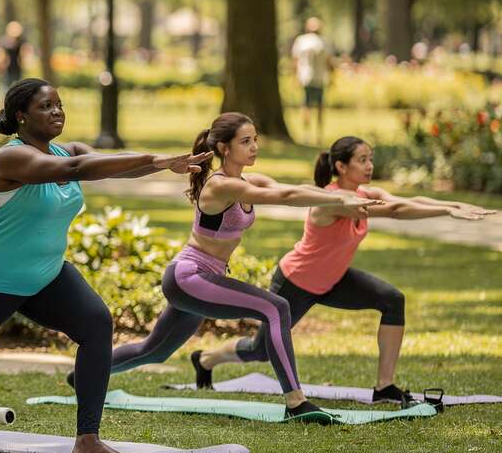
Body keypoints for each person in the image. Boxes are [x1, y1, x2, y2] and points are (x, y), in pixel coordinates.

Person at [0, 78, 211, 453]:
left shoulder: (68, 149)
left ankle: (87, 438)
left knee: (96, 324)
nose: (57, 112)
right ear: (21, 117)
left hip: (44, 274)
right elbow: (76, 169)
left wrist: (162, 164)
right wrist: (155, 161)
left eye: (59, 105)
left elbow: (103, 165)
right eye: (46, 107)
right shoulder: (11, 158)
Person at [102, 112, 380, 423]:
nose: (254, 147)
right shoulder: (220, 186)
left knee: (154, 351)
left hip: (199, 279)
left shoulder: (246, 180)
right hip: (189, 276)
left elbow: (289, 187)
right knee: (276, 308)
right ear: (224, 148)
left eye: (255, 140)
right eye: (245, 141)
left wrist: (341, 197)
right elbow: (285, 197)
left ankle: (83, 373)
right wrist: (341, 202)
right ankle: (296, 401)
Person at [191, 136, 494, 402]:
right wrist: (445, 211)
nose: (369, 165)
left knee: (392, 300)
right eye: (362, 160)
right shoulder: (330, 201)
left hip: (334, 279)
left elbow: (406, 200)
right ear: (341, 167)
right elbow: (396, 211)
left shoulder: (364, 194)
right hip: (297, 281)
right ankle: (205, 359)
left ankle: (385, 386)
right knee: (260, 350)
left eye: (370, 159)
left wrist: (453, 206)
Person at [291, 17, 330, 143]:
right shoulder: (324, 42)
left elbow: (295, 61)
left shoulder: (301, 41)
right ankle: (319, 136)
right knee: (319, 107)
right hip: (320, 78)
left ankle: (306, 135)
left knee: (306, 106)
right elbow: (329, 62)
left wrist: (295, 76)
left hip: (305, 77)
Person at [0, 20, 27, 93]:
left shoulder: (20, 41)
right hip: (7, 69)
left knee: (19, 87)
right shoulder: (4, 41)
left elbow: (24, 53)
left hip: (17, 68)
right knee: (6, 88)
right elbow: (0, 55)